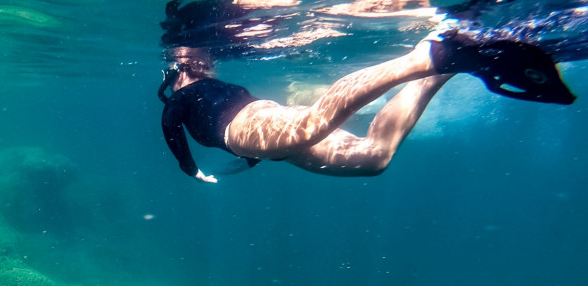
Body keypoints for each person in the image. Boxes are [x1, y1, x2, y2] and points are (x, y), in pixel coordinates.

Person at [159, 30, 576, 181]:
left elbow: (172, 128)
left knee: (315, 121)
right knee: (375, 158)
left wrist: (190, 169)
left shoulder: (181, 97)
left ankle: (430, 55)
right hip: (266, 134)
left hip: (256, 130)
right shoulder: (209, 87)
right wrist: (250, 159)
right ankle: (447, 69)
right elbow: (227, 121)